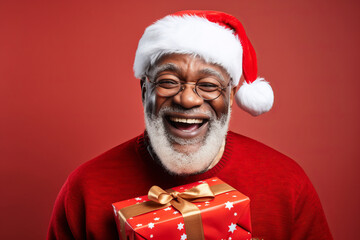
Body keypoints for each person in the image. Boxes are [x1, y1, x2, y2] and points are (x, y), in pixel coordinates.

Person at [47, 10, 333, 240]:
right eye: (169, 81)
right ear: (145, 89)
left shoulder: (286, 183)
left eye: (208, 85)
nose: (186, 99)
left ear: (232, 96)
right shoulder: (86, 188)